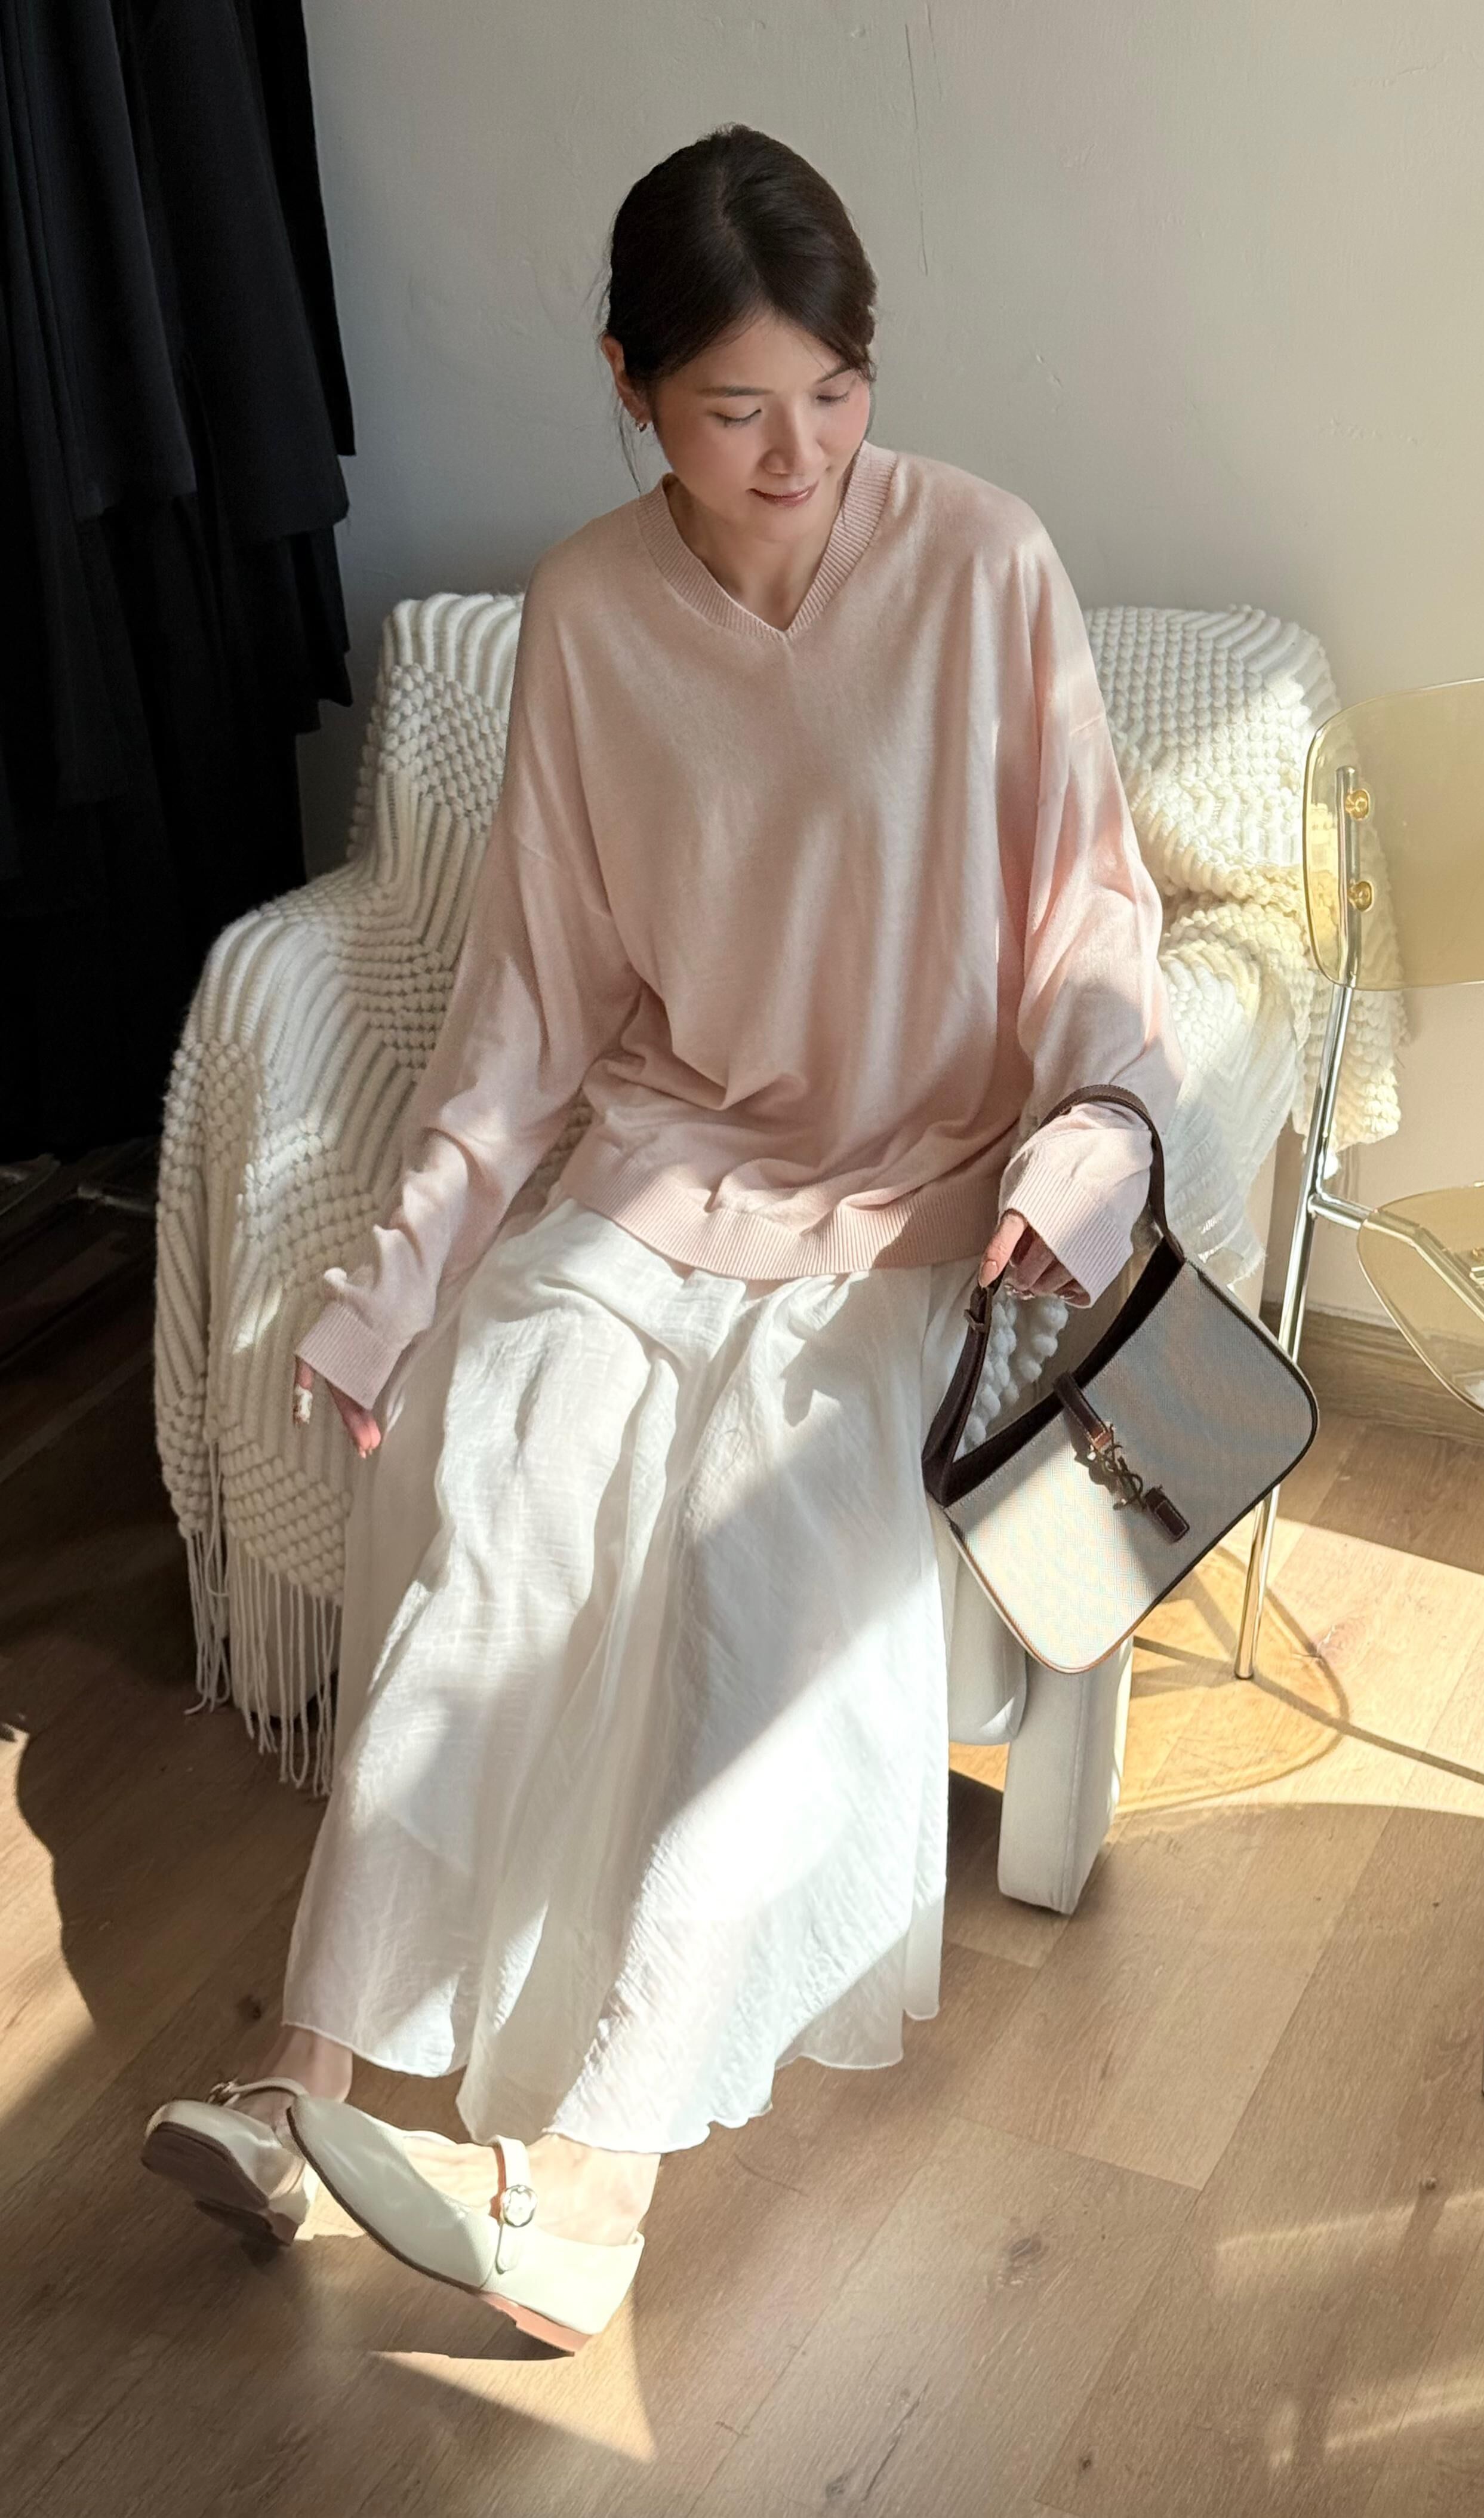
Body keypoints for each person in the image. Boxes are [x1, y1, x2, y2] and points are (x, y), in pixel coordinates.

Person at [141, 122, 1182, 2353]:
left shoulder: (987, 566)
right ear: (628, 385)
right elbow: (531, 999)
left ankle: (597, 2173)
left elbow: (1095, 916)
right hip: (664, 1163)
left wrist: (1093, 1131)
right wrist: (396, 1278)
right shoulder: (592, 613)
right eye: (734, 407)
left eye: (835, 393)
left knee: (756, 1576)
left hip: (915, 1194)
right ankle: (300, 2086)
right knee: (501, 1495)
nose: (798, 451)